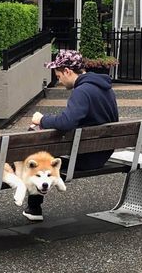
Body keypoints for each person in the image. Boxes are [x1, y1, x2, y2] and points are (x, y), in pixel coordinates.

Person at [23, 49, 119, 221]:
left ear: (67, 71)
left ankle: (34, 207)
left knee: (40, 158)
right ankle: (33, 207)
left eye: (58, 76)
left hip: (84, 159)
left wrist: (42, 119)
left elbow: (65, 123)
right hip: (102, 154)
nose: (59, 81)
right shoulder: (106, 89)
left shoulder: (82, 91)